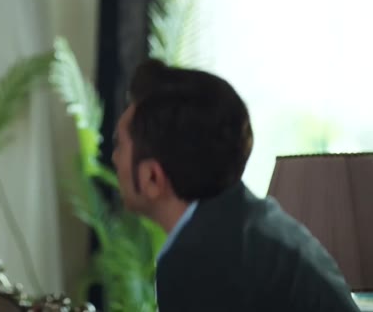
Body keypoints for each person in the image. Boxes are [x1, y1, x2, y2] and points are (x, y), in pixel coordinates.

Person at [111, 60, 360, 312]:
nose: (114, 159)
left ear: (153, 178)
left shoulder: (198, 259)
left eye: (119, 145)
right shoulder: (249, 225)